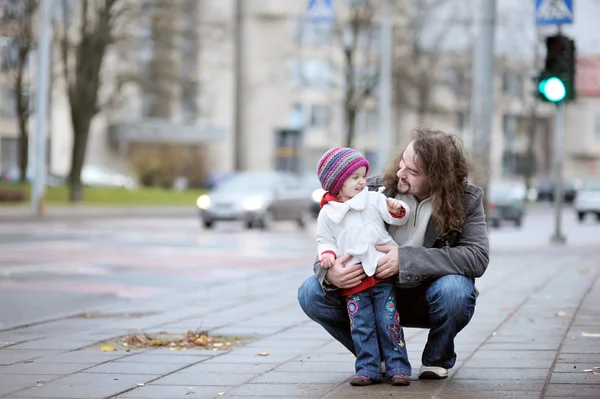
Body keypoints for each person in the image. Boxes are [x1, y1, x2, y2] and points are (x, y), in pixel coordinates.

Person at [298, 129, 490, 381]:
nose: (401, 173)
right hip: (370, 290)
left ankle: (436, 359)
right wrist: (330, 272)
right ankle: (375, 357)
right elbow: (332, 237)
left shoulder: (466, 199)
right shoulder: (374, 189)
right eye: (402, 163)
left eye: (412, 171)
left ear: (438, 178)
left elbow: (476, 256)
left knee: (456, 290)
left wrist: (406, 259)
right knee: (311, 293)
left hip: (428, 296)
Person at [315, 147, 413, 386]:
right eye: (354, 177)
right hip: (354, 279)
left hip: (380, 273)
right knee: (361, 325)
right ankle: (368, 367)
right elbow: (325, 240)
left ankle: (398, 365)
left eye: (363, 176)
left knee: (388, 320)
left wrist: (397, 209)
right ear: (337, 183)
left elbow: (395, 217)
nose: (362, 182)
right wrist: (327, 257)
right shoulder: (328, 213)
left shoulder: (373, 199)